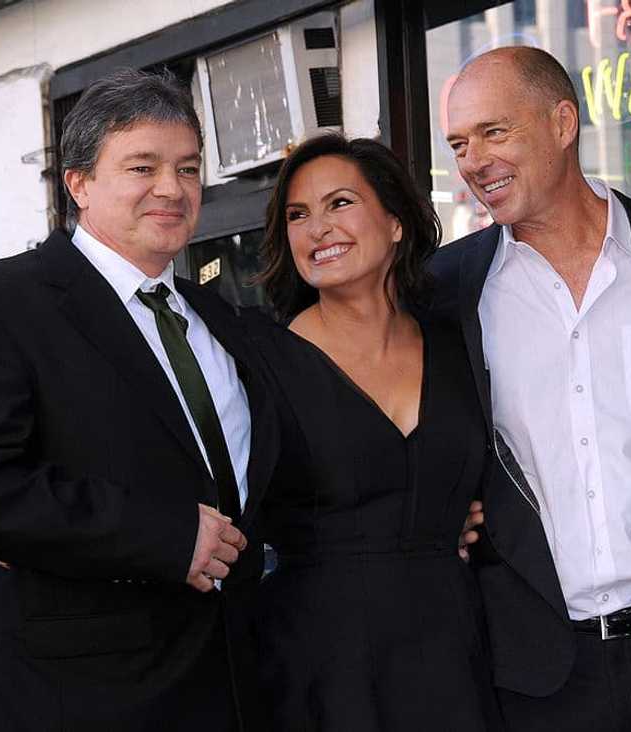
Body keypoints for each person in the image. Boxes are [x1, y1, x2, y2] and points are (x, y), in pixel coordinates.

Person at [0, 68, 277, 732]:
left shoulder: (219, 316)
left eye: (189, 168)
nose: (172, 188)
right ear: (78, 183)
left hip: (229, 683)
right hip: (75, 696)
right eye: (143, 166)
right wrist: (165, 536)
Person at [429, 46, 631, 731]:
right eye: (460, 144)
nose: (473, 163)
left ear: (563, 123)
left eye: (495, 133)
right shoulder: (444, 292)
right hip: (536, 679)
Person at [251, 134, 502, 730]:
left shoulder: (456, 342)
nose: (317, 229)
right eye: (297, 215)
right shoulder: (262, 363)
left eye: (339, 203)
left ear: (394, 222)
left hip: (453, 648)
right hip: (320, 663)